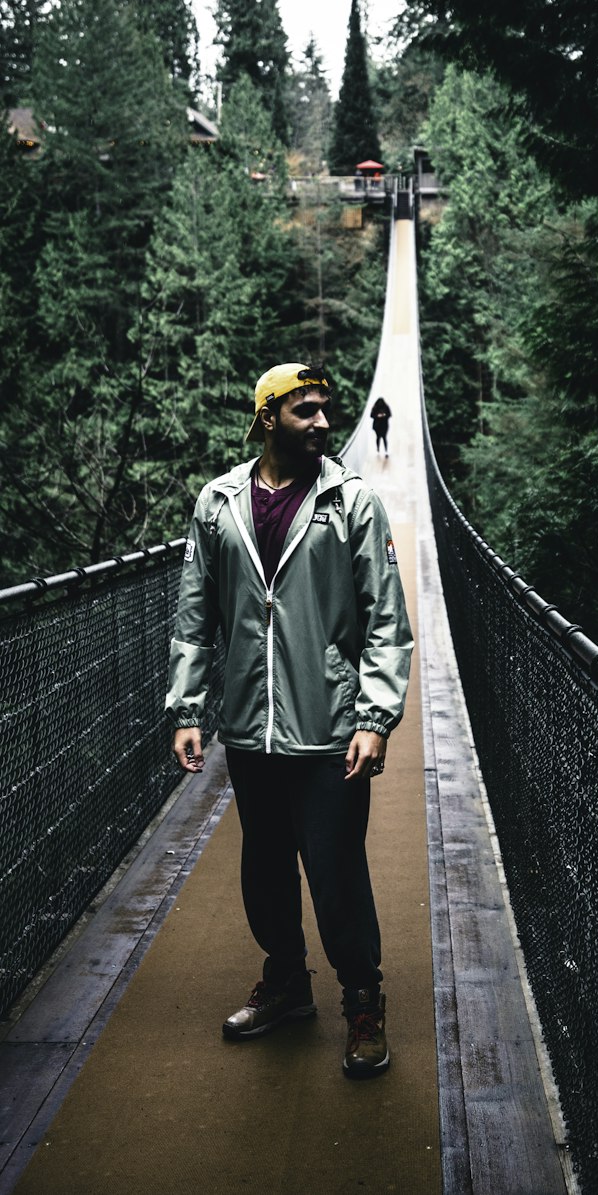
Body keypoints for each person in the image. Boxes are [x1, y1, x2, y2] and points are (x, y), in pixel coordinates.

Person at [165, 363, 412, 1079]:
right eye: (306, 410)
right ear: (268, 417)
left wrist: (374, 715)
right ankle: (287, 982)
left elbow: (386, 621)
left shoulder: (352, 501)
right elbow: (194, 614)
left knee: (336, 868)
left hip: (330, 723)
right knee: (264, 862)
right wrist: (187, 707)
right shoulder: (219, 503)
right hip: (250, 726)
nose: (325, 423)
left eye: (326, 410)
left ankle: (362, 1001)